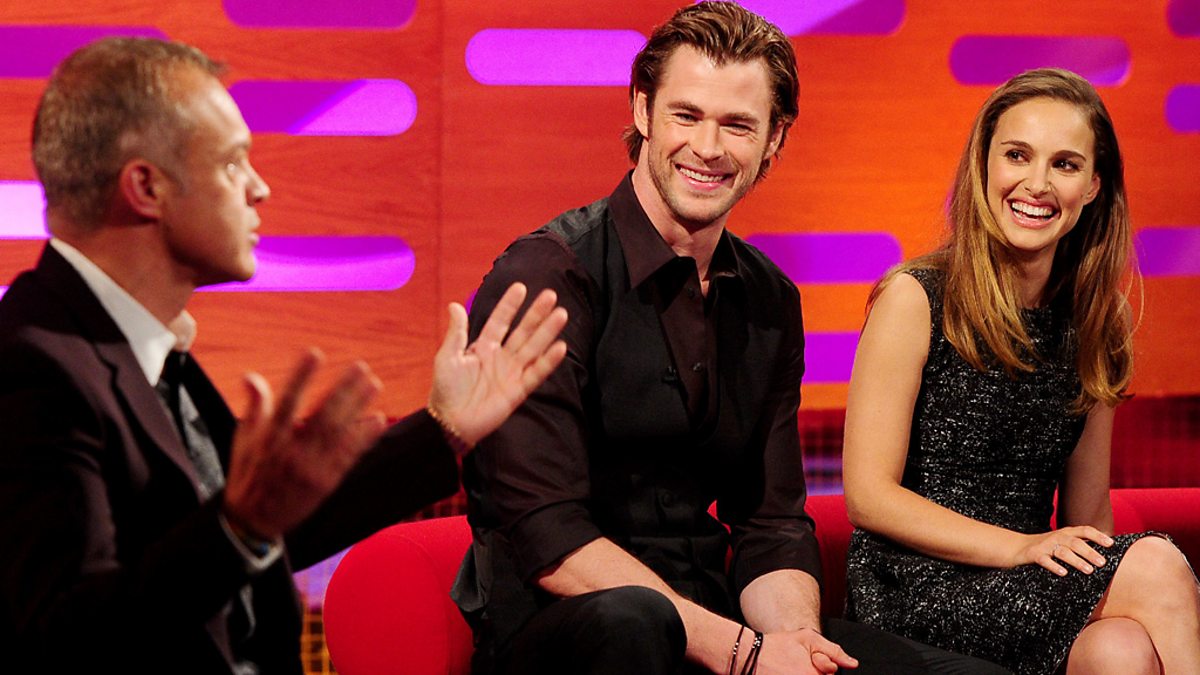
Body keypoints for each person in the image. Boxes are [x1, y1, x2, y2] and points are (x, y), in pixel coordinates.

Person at [452, 3, 1010, 674]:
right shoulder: (549, 275)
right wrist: (742, 654)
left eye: (738, 125)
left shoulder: (768, 298)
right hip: (572, 634)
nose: (709, 147)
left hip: (712, 624)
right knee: (635, 621)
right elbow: (549, 535)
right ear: (642, 111)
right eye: (687, 116)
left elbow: (769, 522)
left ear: (774, 138)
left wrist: (794, 643)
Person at [0, 37, 569, 674]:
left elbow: (268, 528)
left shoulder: (136, 343)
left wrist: (445, 430)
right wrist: (235, 529)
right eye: (232, 163)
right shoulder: (33, 370)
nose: (260, 188)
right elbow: (68, 638)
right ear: (146, 186)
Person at [842, 68, 1200, 675]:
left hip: (1030, 577)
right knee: (1158, 564)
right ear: (983, 165)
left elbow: (1088, 515)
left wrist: (1064, 565)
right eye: (1016, 155)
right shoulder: (916, 297)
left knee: (1121, 650)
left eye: (1064, 164)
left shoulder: (1098, 319)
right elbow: (868, 497)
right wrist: (1022, 548)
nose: (1036, 184)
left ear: (1093, 185)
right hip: (913, 585)